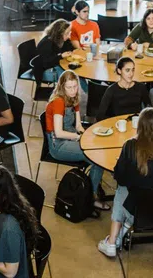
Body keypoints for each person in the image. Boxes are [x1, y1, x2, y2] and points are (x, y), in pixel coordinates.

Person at [98, 107, 153, 256]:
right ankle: (123, 228)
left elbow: (120, 177)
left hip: (140, 211)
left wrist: (123, 165)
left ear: (139, 126)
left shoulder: (130, 146)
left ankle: (112, 242)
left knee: (122, 188)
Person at [44, 71, 108, 210]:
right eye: (69, 87)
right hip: (58, 145)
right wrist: (80, 138)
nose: (73, 90)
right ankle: (91, 196)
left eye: (75, 86)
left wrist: (88, 136)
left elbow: (78, 126)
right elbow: (59, 133)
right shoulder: (58, 102)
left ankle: (90, 189)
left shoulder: (74, 98)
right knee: (97, 159)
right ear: (62, 87)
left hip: (71, 137)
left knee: (97, 150)